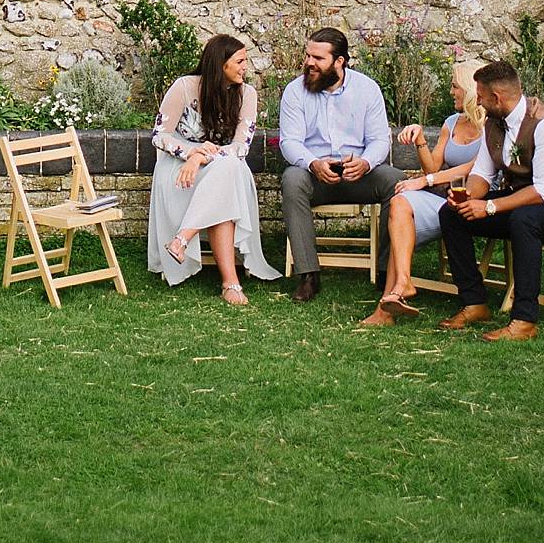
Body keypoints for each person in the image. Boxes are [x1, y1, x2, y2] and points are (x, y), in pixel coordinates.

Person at [431, 54, 544, 342]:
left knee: (524, 219)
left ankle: (524, 320)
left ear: (496, 97)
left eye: (481, 97)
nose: (478, 102)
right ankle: (474, 303)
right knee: (451, 213)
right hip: (523, 200)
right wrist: (468, 198)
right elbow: (482, 173)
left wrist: (490, 207)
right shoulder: (494, 124)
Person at [147, 31, 280, 303]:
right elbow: (160, 135)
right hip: (179, 167)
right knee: (226, 176)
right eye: (240, 61)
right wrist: (191, 153)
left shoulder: (247, 95)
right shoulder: (184, 87)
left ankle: (183, 238)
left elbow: (242, 146)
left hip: (218, 164)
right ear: (221, 64)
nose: (246, 67)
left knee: (228, 169)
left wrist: (203, 157)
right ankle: (230, 283)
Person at [353, 73, 487, 328]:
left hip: (475, 199)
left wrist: (424, 182)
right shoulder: (452, 122)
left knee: (400, 224)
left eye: (455, 86)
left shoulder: (492, 125)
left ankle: (387, 307)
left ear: (469, 90)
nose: (451, 92)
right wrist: (421, 140)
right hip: (443, 199)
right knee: (400, 203)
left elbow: (476, 167)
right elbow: (432, 169)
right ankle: (402, 282)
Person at [275, 24, 397, 300]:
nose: (309, 63)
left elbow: (380, 139)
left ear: (339, 61)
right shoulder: (295, 91)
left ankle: (386, 270)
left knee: (396, 181)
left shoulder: (367, 89)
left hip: (359, 175)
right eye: (308, 56)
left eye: (318, 58)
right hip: (315, 175)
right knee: (292, 179)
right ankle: (308, 275)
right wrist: (313, 163)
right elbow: (289, 142)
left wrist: (365, 163)